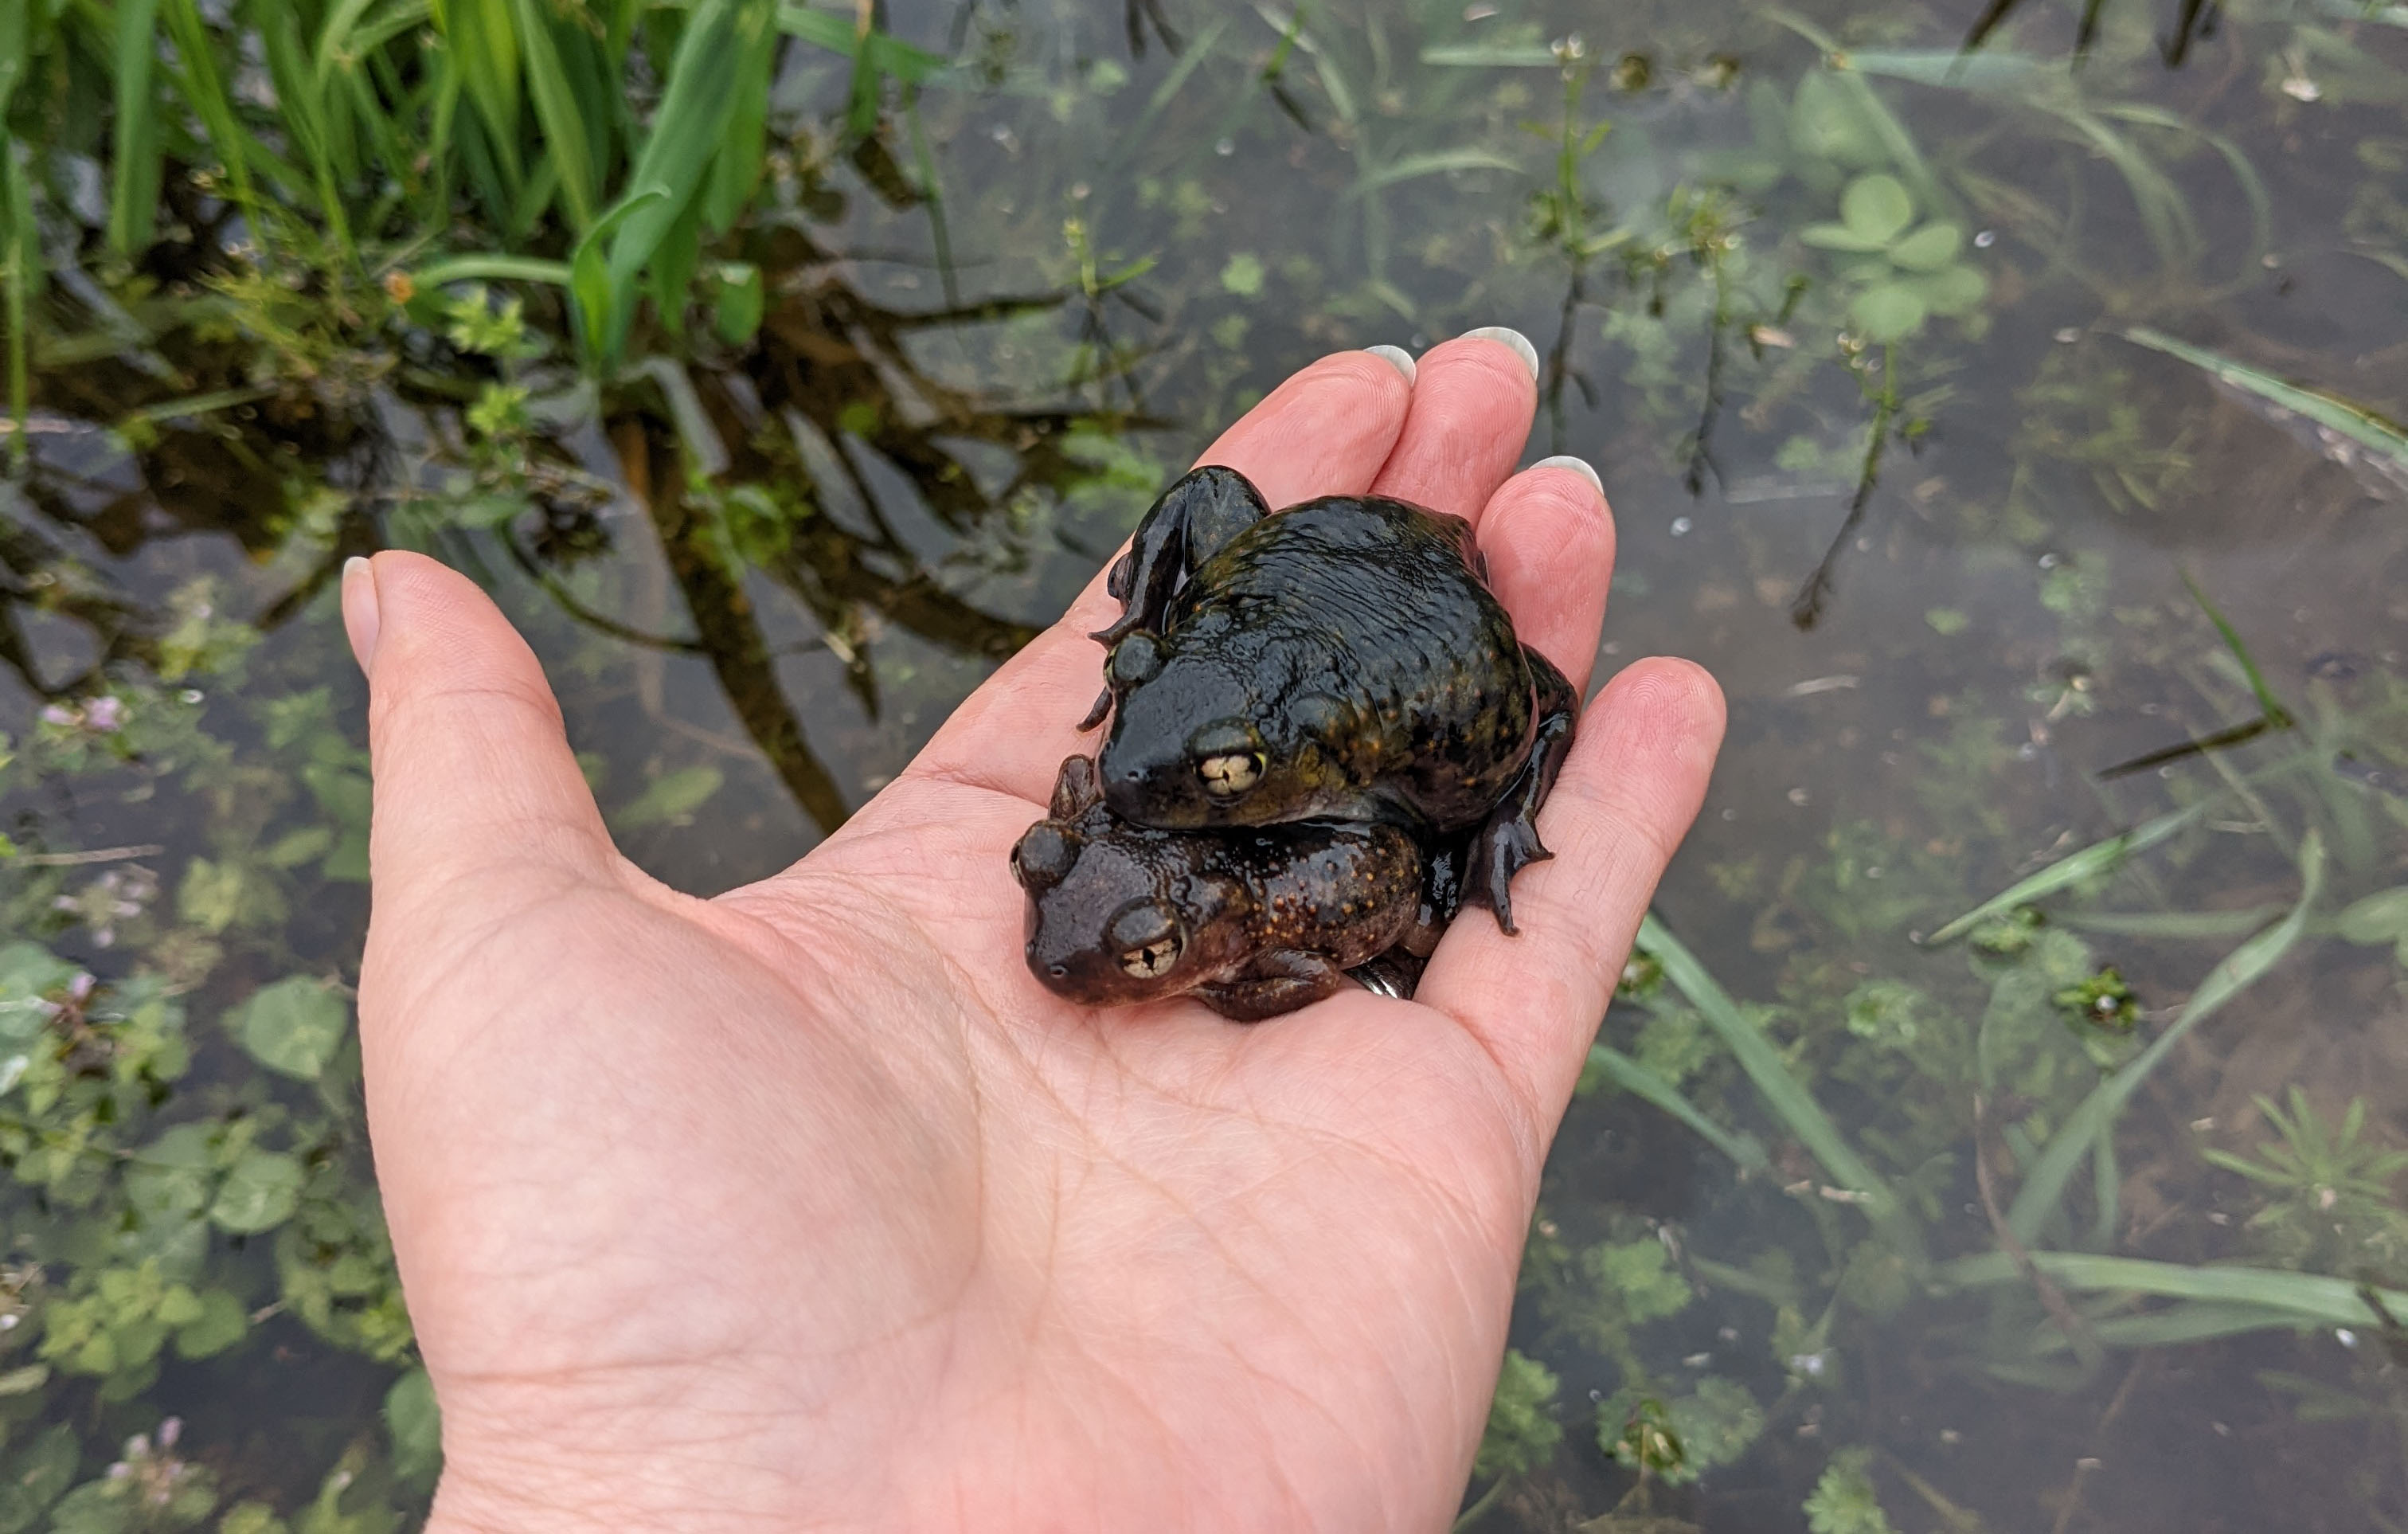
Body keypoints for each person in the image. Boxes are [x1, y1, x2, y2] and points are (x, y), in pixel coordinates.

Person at [339, 332, 1725, 1532]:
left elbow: (1452, 770)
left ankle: (1353, 766)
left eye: (1217, 786)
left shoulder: (1342, 775)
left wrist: (1474, 825)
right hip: (1282, 597)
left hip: (1393, 650)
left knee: (1495, 752)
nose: (1135, 788)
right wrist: (1155, 633)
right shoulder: (1186, 725)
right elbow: (1210, 498)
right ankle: (1205, 703)